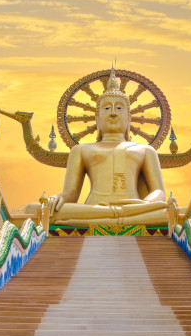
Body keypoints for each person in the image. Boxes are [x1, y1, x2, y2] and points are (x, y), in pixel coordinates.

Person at [24, 68, 168, 226]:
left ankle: (116, 215)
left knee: (171, 211)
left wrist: (147, 204)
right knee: (33, 209)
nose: (113, 113)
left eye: (119, 108)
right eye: (106, 108)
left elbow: (159, 192)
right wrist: (59, 198)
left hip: (134, 208)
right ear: (97, 118)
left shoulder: (146, 150)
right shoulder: (80, 150)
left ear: (129, 118)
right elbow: (71, 194)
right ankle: (118, 216)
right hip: (94, 208)